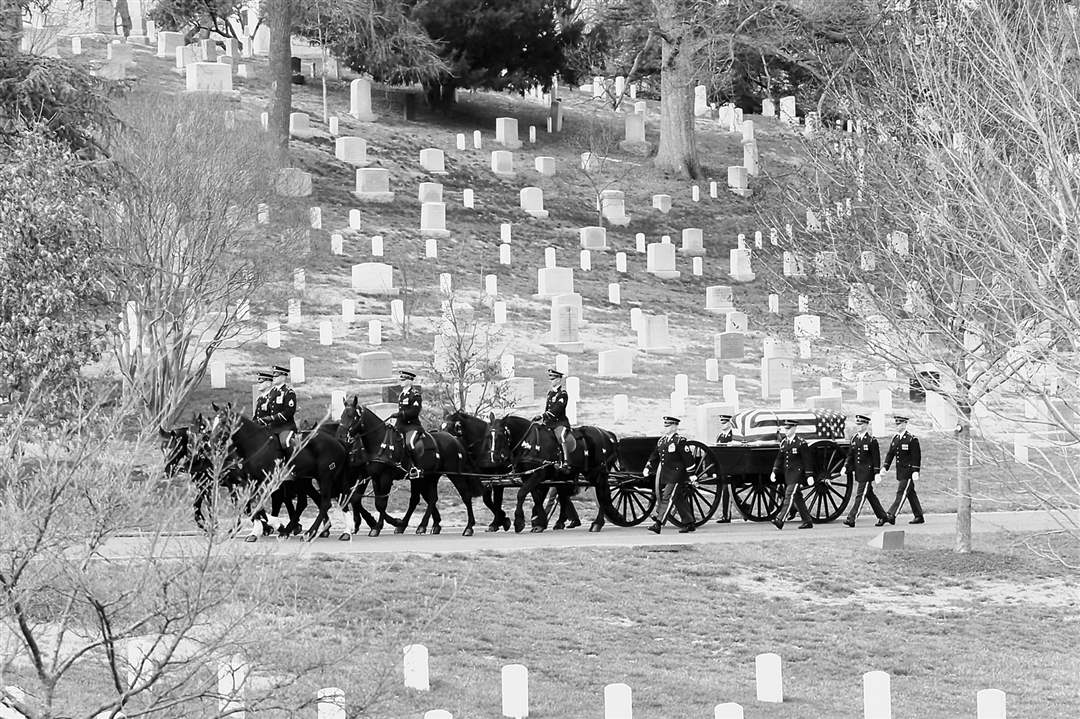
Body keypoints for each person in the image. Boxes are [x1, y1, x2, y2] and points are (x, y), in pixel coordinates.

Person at [642, 416, 697, 534]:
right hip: (667, 475)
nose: (666, 428)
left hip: (677, 475)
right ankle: (689, 523)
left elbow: (688, 458)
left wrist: (692, 474)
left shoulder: (680, 441)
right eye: (665, 425)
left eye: (669, 426)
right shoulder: (662, 441)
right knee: (678, 499)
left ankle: (658, 523)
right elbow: (655, 455)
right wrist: (648, 466)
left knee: (667, 496)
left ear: (675, 427)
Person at [843, 414, 889, 527]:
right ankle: (883, 517)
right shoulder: (855, 438)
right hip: (859, 472)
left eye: (861, 424)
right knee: (870, 495)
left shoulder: (871, 441)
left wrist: (877, 473)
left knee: (860, 495)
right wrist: (845, 466)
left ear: (866, 425)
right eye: (857, 424)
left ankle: (851, 518)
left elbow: (876, 458)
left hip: (867, 473)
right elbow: (850, 455)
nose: (858, 426)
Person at [770, 419, 815, 530]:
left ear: (794, 428)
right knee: (797, 498)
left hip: (798, 474)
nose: (786, 430)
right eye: (785, 428)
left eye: (788, 428)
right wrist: (774, 471)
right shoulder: (784, 443)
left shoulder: (801, 443)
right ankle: (807, 521)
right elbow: (779, 459)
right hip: (788, 475)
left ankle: (780, 519)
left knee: (789, 495)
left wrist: (809, 475)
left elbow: (807, 460)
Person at [884, 415, 924, 524]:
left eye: (900, 424)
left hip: (909, 472)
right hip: (900, 471)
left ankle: (892, 514)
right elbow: (890, 454)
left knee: (901, 492)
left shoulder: (911, 439)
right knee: (910, 493)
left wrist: (916, 471)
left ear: (905, 424)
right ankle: (919, 516)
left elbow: (916, 456)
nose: (898, 426)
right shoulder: (895, 438)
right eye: (896, 424)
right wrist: (885, 467)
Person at [388, 370, 424, 476]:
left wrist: (400, 414)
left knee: (409, 443)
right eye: (401, 379)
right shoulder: (402, 394)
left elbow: (414, 411)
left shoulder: (415, 394)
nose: (401, 381)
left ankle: (417, 468)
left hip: (412, 425)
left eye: (403, 380)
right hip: (400, 425)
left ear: (410, 381)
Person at [256, 365, 297, 451]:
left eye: (276, 375)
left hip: (285, 427)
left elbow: (289, 412)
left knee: (284, 443)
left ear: (283, 377)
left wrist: (271, 418)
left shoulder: (288, 392)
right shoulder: (272, 392)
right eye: (273, 375)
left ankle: (291, 462)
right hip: (272, 428)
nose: (273, 377)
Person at [543, 369, 574, 469]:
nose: (551, 381)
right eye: (550, 379)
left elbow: (558, 409)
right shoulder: (550, 393)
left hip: (560, 423)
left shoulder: (562, 394)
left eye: (553, 379)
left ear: (559, 379)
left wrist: (544, 415)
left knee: (561, 436)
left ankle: (566, 461)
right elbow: (547, 408)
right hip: (549, 423)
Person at [714, 414, 736, 523]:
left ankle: (726, 516)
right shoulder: (720, 436)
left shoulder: (733, 435)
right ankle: (743, 505)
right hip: (722, 467)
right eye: (721, 422)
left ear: (730, 423)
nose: (723, 424)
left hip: (731, 467)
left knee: (726, 490)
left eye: (725, 422)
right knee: (726, 490)